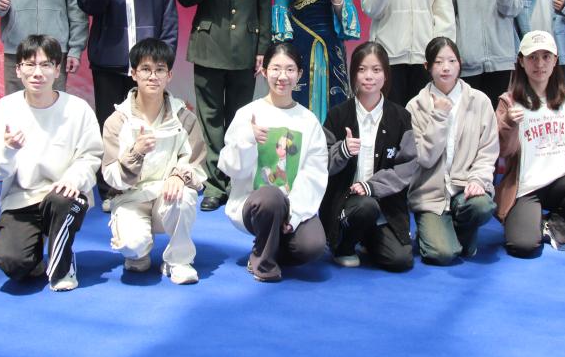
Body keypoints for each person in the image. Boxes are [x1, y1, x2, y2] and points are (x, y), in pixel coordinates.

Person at [0, 35, 103, 291]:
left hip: (63, 194)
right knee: (13, 264)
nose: (37, 73)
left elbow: (91, 156)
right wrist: (8, 150)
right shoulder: (5, 108)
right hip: (21, 198)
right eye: (30, 64)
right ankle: (34, 255)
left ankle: (63, 265)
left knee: (62, 200)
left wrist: (73, 179)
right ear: (18, 69)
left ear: (57, 70)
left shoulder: (78, 109)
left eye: (46, 65)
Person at [78, 0, 178, 210]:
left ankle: (145, 183)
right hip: (109, 62)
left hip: (147, 66)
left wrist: (164, 60)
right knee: (111, 126)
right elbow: (87, 5)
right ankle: (110, 189)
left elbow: (169, 17)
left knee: (146, 125)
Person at [178, 0, 271, 212]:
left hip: (246, 48)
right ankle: (215, 184)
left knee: (240, 118)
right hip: (209, 47)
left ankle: (237, 180)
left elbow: (264, 3)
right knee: (211, 119)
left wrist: (263, 48)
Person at [218, 42, 328, 282]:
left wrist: (294, 215)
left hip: (291, 206)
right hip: (256, 204)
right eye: (276, 68)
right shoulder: (248, 113)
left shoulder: (309, 121)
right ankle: (263, 261)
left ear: (300, 74)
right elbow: (231, 168)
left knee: (313, 246)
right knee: (271, 197)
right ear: (264, 70)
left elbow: (314, 175)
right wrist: (248, 139)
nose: (282, 76)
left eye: (290, 69)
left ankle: (273, 246)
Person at [101, 39, 206, 285]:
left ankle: (179, 261)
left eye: (160, 70)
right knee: (133, 247)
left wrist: (179, 175)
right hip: (130, 198)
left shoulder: (184, 117)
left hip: (166, 197)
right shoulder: (117, 121)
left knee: (185, 195)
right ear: (133, 73)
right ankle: (138, 253)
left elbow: (197, 165)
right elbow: (111, 177)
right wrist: (136, 153)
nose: (153, 76)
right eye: (145, 69)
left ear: (169, 75)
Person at [495, 30, 565, 257]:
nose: (540, 64)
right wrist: (509, 123)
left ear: (555, 60)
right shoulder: (509, 103)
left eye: (546, 57)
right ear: (521, 61)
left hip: (562, 181)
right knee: (523, 246)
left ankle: (554, 225)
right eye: (532, 57)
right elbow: (501, 151)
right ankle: (529, 221)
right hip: (525, 187)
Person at [321, 42, 416, 271]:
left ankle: (366, 238)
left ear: (386, 74)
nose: (369, 76)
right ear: (353, 73)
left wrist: (373, 187)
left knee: (400, 260)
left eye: (376, 70)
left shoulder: (401, 117)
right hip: (347, 203)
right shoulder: (337, 115)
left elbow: (407, 167)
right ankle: (343, 246)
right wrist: (342, 151)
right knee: (366, 207)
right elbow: (321, 162)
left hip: (385, 205)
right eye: (362, 69)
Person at [407, 38, 498, 265]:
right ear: (427, 67)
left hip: (464, 188)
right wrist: (439, 116)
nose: (445, 68)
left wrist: (478, 179)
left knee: (482, 206)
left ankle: (461, 230)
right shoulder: (415, 107)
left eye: (451, 61)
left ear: (460, 63)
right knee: (442, 254)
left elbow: (487, 151)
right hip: (431, 195)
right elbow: (424, 159)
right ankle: (440, 234)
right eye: (438, 62)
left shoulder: (480, 101)